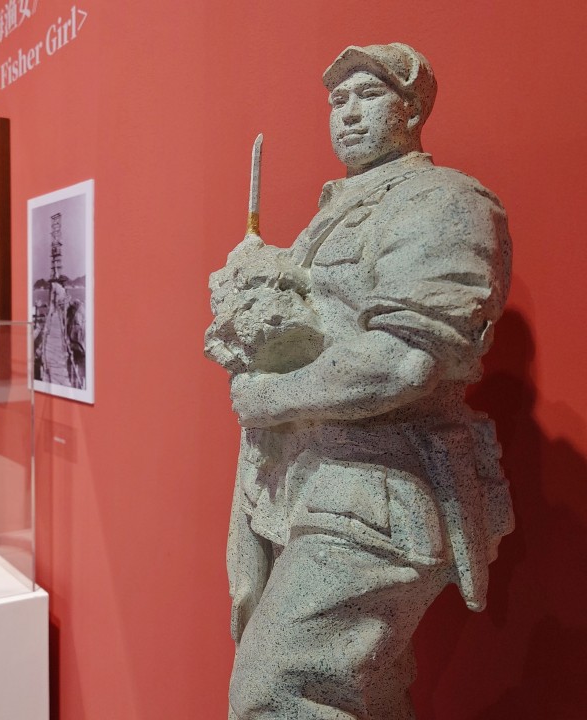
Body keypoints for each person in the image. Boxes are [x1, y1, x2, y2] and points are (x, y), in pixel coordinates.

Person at [209, 44, 513, 718]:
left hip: (382, 485)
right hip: (306, 478)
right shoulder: (332, 215)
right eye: (337, 100)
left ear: (414, 109)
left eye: (369, 95)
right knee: (365, 695)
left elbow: (405, 360)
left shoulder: (444, 201)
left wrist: (267, 396)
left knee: (273, 694)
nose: (347, 113)